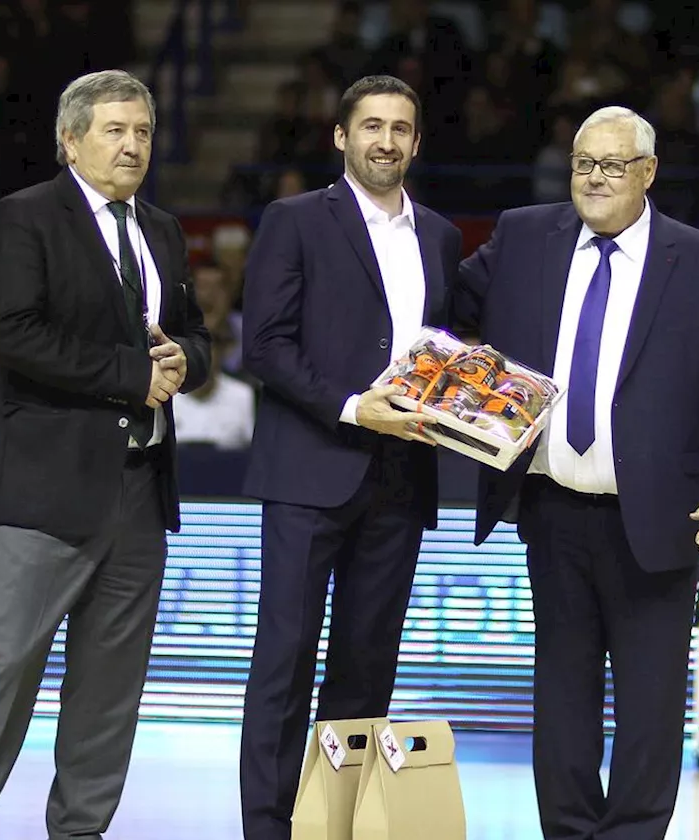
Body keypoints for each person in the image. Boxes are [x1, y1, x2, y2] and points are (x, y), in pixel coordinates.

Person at [452, 106, 699, 839]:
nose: (595, 178)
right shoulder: (526, 237)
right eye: (583, 163)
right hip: (552, 511)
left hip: (661, 521)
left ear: (648, 173)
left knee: (650, 705)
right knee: (562, 697)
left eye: (613, 164)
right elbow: (447, 302)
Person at [0, 69, 210, 840]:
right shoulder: (24, 218)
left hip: (140, 489)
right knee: (7, 664)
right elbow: (13, 333)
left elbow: (195, 332)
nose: (132, 145)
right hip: (43, 488)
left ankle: (81, 830)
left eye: (143, 131)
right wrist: (133, 376)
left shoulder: (163, 231)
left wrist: (186, 358)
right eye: (115, 130)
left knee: (111, 686)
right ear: (70, 139)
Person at [238, 74, 462, 840]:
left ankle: (331, 825)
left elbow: (444, 356)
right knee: (285, 665)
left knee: (367, 670)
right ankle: (267, 829)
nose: (386, 141)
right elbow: (263, 345)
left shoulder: (439, 235)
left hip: (400, 480)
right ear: (341, 136)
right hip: (309, 470)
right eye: (371, 126)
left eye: (401, 128)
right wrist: (348, 405)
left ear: (417, 142)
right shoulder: (294, 219)